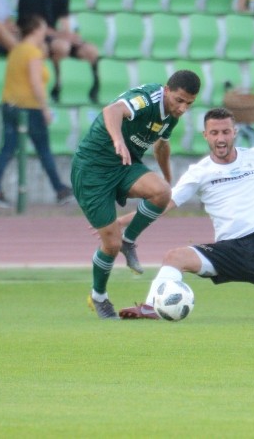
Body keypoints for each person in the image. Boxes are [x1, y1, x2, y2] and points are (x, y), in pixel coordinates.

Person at [118, 107, 254, 321]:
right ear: (205, 135)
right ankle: (151, 307)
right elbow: (166, 203)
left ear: (234, 132)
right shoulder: (199, 172)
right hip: (229, 252)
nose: (220, 138)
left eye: (226, 132)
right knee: (174, 257)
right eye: (214, 133)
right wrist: (124, 221)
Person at [73, 70, 201, 319]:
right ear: (166, 90)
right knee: (110, 244)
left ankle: (129, 240)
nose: (183, 108)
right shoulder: (148, 99)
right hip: (92, 171)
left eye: (189, 103)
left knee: (161, 193)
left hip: (124, 166)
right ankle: (99, 296)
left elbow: (161, 145)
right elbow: (112, 111)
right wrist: (118, 140)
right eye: (179, 100)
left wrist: (167, 178)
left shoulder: (171, 115)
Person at [0, 14, 74, 209]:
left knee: (7, 150)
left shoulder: (17, 50)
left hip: (10, 104)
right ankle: (60, 190)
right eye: (43, 30)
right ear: (36, 30)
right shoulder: (32, 53)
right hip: (29, 108)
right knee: (43, 150)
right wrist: (45, 108)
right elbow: (35, 83)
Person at [17, 0, 100, 102]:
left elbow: (65, 21)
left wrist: (71, 36)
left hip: (57, 35)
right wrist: (62, 35)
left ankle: (93, 86)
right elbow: (34, 26)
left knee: (91, 50)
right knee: (61, 46)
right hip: (39, 38)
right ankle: (57, 84)